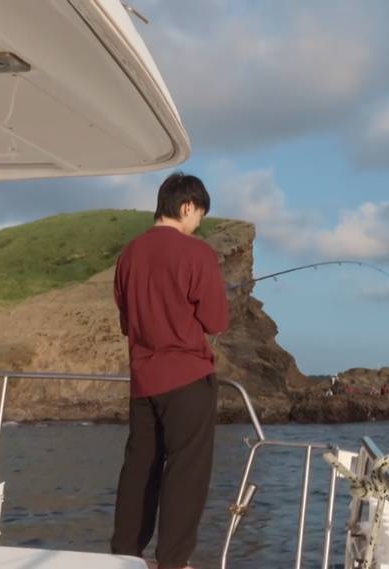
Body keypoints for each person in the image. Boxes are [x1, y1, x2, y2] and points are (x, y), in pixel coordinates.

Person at [111, 172, 229, 569]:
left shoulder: (129, 254)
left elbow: (128, 323)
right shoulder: (197, 254)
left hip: (143, 381)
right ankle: (174, 561)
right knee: (186, 473)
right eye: (199, 215)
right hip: (187, 379)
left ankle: (125, 555)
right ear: (186, 206)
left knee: (140, 468)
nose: (199, 224)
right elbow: (215, 321)